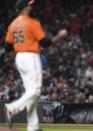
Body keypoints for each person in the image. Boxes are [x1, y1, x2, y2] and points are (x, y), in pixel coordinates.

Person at [4, 0, 67, 131]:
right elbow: (45, 43)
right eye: (28, 5)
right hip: (30, 56)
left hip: (19, 57)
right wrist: (60, 36)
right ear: (24, 8)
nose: (30, 6)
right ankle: (12, 108)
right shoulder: (32, 22)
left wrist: (17, 57)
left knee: (31, 92)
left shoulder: (13, 24)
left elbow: (7, 47)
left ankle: (33, 126)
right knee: (35, 90)